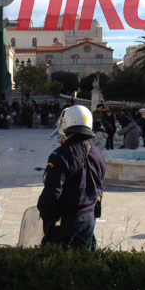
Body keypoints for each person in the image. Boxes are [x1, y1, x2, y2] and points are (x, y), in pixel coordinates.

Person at [37, 105, 106, 251]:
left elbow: (52, 192)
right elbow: (100, 186)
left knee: (57, 259)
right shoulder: (97, 153)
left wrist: (46, 214)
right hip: (90, 217)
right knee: (83, 261)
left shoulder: (61, 155)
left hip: (67, 220)